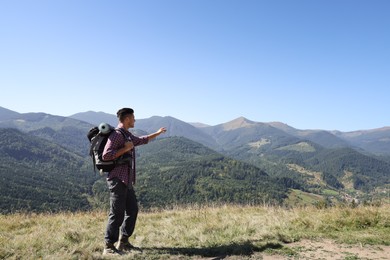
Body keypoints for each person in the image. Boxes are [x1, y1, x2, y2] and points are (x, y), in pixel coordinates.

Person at [102, 107, 166, 255]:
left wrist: (157, 133)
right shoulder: (117, 135)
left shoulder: (127, 135)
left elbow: (141, 140)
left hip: (126, 180)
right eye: (133, 117)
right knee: (117, 213)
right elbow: (106, 155)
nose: (135, 120)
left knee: (132, 210)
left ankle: (123, 242)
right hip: (117, 179)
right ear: (126, 119)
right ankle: (108, 246)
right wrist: (125, 149)